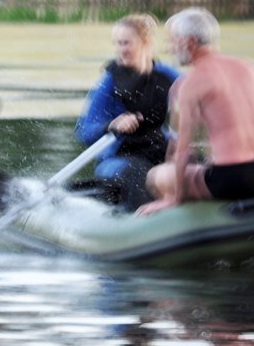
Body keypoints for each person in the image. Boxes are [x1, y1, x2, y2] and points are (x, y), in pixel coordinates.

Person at [137, 8, 254, 216]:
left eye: (172, 41)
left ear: (189, 42)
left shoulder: (191, 83)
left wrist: (176, 198)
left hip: (233, 179)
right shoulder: (250, 67)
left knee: (157, 176)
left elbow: (182, 150)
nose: (169, 48)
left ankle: (178, 222)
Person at [75, 13, 180, 210]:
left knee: (196, 163)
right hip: (117, 160)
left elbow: (198, 94)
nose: (120, 50)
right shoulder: (109, 83)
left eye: (125, 43)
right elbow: (83, 132)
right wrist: (111, 125)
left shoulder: (167, 76)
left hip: (157, 150)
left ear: (145, 42)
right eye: (117, 43)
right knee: (137, 172)